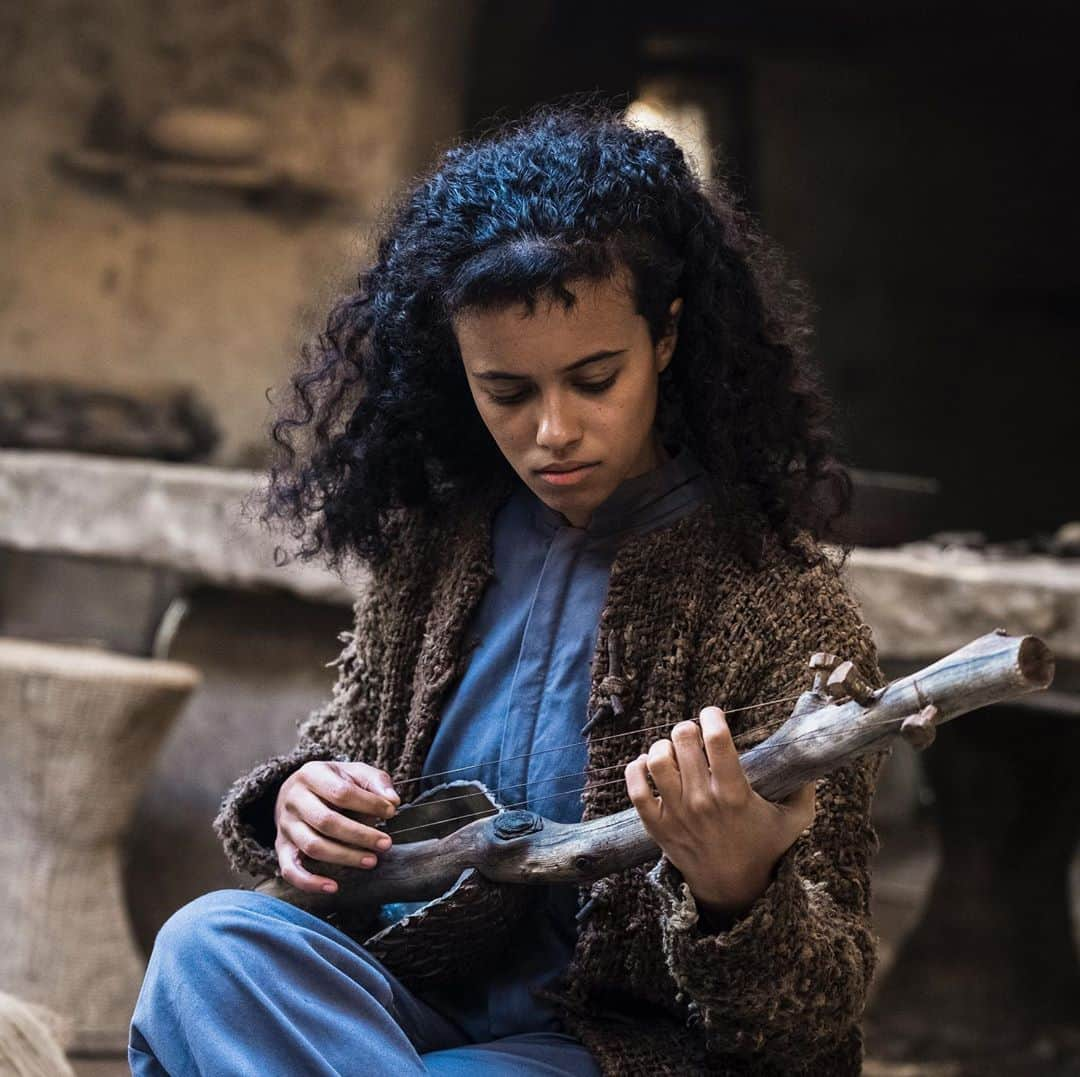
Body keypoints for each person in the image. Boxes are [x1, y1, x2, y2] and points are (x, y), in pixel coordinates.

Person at [129, 99, 889, 1076]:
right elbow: (344, 779)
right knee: (207, 950)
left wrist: (740, 889)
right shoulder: (441, 554)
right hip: (398, 1014)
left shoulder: (775, 608)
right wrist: (304, 806)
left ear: (665, 336)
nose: (554, 431)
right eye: (510, 392)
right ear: (460, 370)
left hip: (611, 1050)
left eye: (594, 378)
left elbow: (815, 1015)